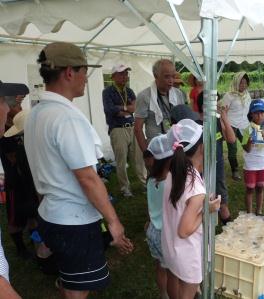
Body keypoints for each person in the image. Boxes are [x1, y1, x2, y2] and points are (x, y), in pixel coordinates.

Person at [24, 42, 133, 299]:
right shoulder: (66, 117)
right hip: (73, 220)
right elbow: (87, 177)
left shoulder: (37, 112)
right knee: (77, 290)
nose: (87, 78)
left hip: (52, 213)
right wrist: (114, 222)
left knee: (70, 280)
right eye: (85, 71)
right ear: (70, 72)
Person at [161, 119, 220, 299]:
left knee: (176, 281)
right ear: (202, 148)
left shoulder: (174, 173)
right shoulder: (196, 190)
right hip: (187, 253)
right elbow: (184, 230)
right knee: (189, 290)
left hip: (171, 248)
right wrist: (207, 210)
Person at [0, 80, 28, 299]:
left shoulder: (20, 116)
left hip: (25, 175)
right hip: (12, 177)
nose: (12, 108)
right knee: (14, 214)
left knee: (31, 210)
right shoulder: (4, 132)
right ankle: (19, 247)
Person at [102, 64, 146, 197]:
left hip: (132, 127)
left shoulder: (130, 91)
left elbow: (135, 109)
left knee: (139, 158)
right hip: (117, 129)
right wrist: (127, 108)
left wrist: (122, 109)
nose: (125, 76)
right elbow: (110, 110)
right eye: (121, 74)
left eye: (126, 74)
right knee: (121, 160)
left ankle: (144, 183)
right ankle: (125, 187)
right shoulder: (107, 92)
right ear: (113, 76)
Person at [197, 92, 236, 224]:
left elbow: (231, 139)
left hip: (217, 170)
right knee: (202, 204)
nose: (218, 106)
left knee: (222, 202)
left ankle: (227, 232)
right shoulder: (196, 125)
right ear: (204, 106)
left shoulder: (217, 121)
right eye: (215, 104)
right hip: (201, 172)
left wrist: (224, 118)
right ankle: (205, 234)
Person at [134, 59, 184, 153]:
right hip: (156, 150)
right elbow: (137, 128)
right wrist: (146, 154)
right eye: (167, 77)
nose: (171, 81)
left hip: (176, 147)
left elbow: (182, 121)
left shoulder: (178, 94)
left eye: (173, 76)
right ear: (156, 76)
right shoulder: (144, 96)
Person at [146, 134, 173, 299]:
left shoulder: (150, 180)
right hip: (166, 234)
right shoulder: (170, 184)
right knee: (172, 271)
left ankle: (163, 294)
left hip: (153, 231)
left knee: (160, 266)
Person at [221, 72, 252, 181]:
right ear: (236, 83)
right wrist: (225, 126)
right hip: (232, 126)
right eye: (241, 83)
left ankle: (250, 166)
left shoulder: (247, 95)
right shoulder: (229, 96)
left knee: (248, 147)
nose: (243, 85)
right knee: (232, 150)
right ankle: (235, 171)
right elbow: (223, 111)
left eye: (245, 83)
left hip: (245, 125)